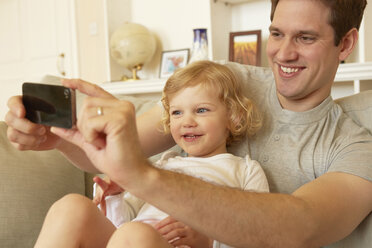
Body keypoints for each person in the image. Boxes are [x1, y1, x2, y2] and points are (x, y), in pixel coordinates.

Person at [5, 0, 372, 247]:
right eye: (276, 34)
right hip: (137, 232)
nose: (283, 53)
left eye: (305, 38)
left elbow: (300, 226)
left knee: (135, 236)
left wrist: (143, 177)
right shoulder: (224, 80)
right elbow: (116, 155)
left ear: (345, 44)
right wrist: (61, 140)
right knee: (73, 207)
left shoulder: (355, 146)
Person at [86, 60, 268, 248]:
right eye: (177, 113)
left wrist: (208, 242)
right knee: (73, 207)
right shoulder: (161, 167)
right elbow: (120, 226)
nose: (187, 121)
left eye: (201, 110)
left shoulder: (245, 171)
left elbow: (261, 235)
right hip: (133, 239)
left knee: (135, 233)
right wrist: (115, 196)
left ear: (233, 116)